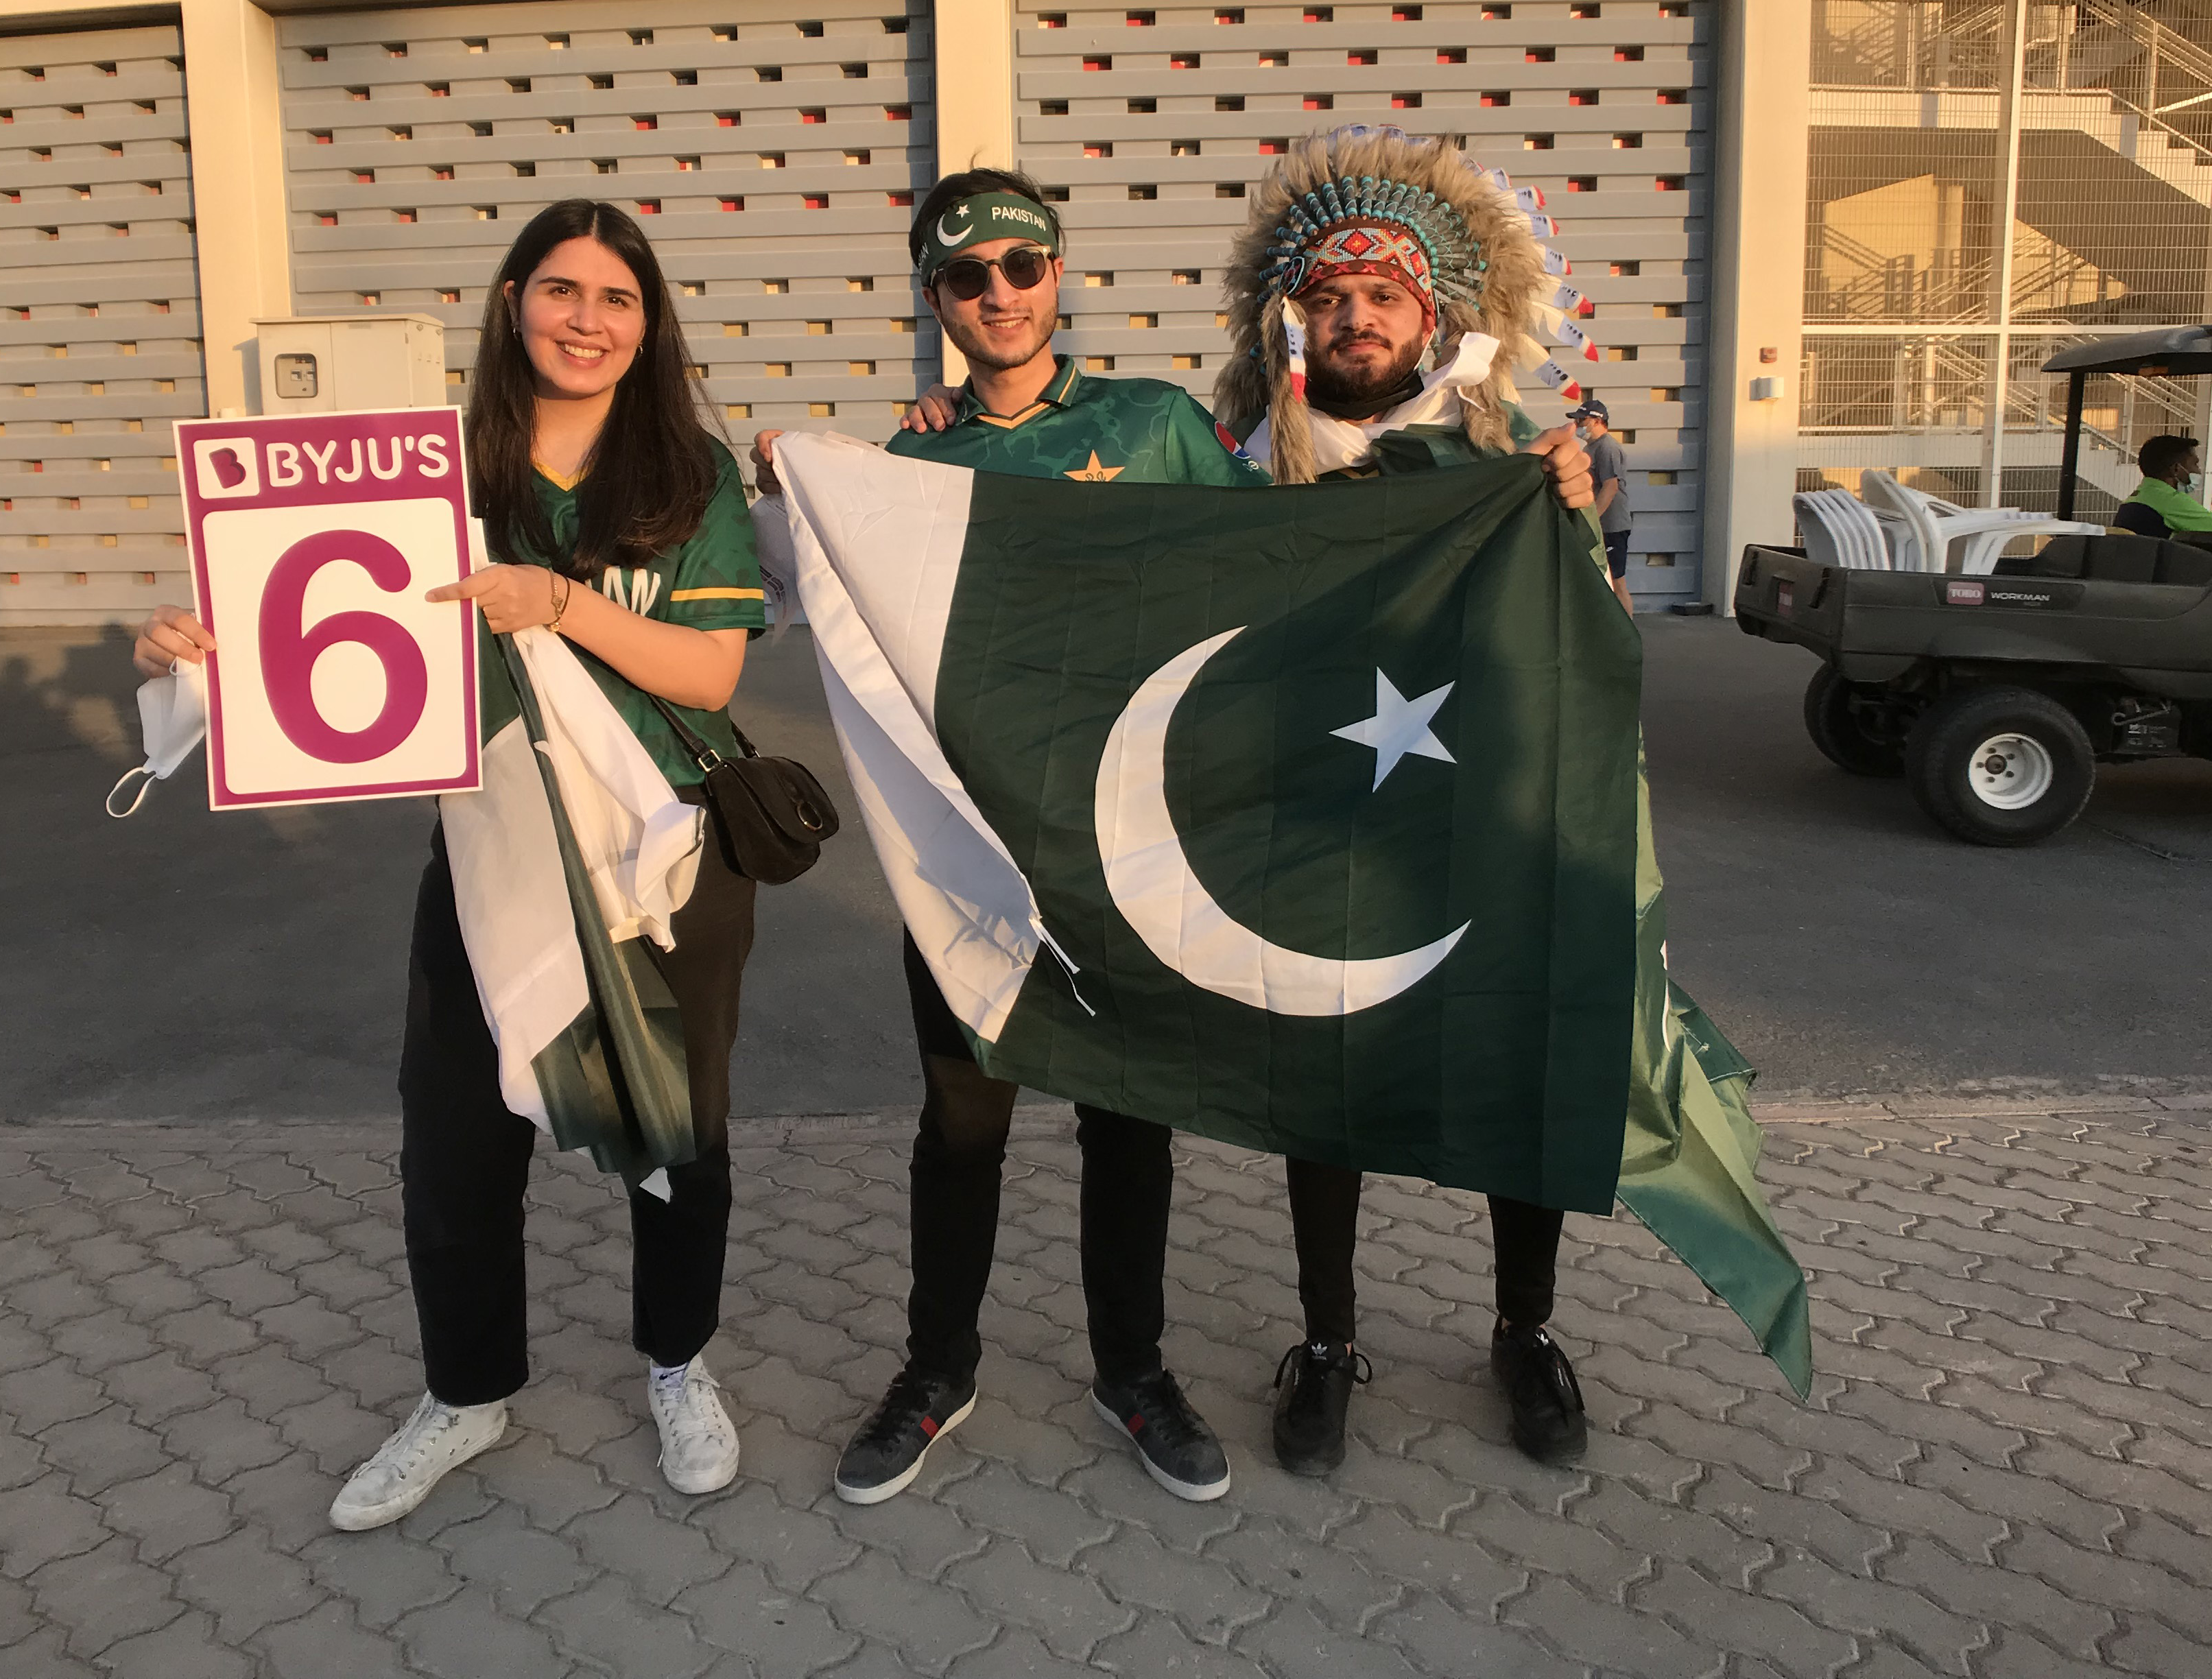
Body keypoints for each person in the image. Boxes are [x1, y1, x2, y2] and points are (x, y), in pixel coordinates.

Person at [132, 200, 768, 1528]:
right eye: (560, 290)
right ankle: (466, 1392)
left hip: (664, 848)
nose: (586, 320)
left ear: (648, 323)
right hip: (491, 847)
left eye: (617, 297)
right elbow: (324, 625)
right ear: (510, 302)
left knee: (676, 1124)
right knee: (456, 1134)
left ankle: (677, 1362)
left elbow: (709, 672)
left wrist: (560, 603)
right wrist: (206, 650)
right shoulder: (436, 470)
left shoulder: (688, 473)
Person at [754, 168, 1275, 1508]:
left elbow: (1287, 557)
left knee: (1128, 1125)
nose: (996, 294)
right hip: (969, 857)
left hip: (1129, 848)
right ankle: (936, 1371)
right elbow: (792, 584)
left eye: (1018, 267)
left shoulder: (1152, 425)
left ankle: (1132, 1372)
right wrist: (785, 476)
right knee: (960, 1126)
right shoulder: (910, 463)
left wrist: (1533, 481)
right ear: (934, 300)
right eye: (964, 276)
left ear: (1055, 273)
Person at [1213, 127, 1604, 1476]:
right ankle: (1326, 1341)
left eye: (1381, 295)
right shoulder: (1236, 465)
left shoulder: (1511, 463)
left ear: (1431, 316)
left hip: (1485, 826)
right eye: (1327, 297)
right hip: (1315, 825)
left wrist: (1574, 502)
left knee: (1517, 1068)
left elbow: (1591, 638)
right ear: (1292, 321)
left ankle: (1522, 1329)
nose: (1355, 317)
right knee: (1326, 1090)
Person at [1569, 398, 1636, 610]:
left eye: (1582, 421)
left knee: (1617, 582)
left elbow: (1611, 486)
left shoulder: (1607, 447)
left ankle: (1626, 629)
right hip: (1599, 526)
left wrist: (1593, 519)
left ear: (1597, 421)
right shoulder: (1591, 448)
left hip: (1611, 526)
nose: (1578, 425)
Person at [2112, 433, 2212, 538]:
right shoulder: (2170, 501)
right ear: (2176, 469)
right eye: (2195, 464)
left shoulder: (2138, 496)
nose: (2198, 471)